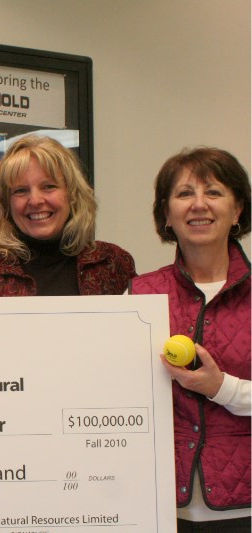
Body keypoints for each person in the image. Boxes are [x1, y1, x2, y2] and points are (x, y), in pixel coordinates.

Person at [129, 147, 250, 533]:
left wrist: (222, 388)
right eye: (184, 194)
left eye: (213, 192)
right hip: (158, 507)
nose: (199, 205)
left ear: (237, 210)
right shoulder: (139, 296)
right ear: (166, 214)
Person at [0, 134, 136, 297]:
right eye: (21, 191)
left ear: (72, 194)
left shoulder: (112, 263)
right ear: (6, 203)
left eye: (49, 187)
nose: (35, 200)